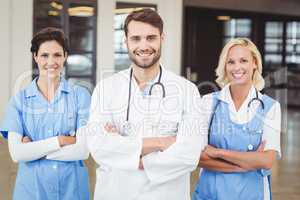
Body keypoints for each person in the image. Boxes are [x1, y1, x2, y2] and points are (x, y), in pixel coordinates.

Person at [87, 8, 205, 200]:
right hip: (116, 193)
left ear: (162, 38)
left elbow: (190, 153)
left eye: (151, 38)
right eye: (136, 38)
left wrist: (129, 153)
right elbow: (98, 146)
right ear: (125, 41)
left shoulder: (187, 90)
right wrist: (161, 143)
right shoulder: (106, 88)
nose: (143, 45)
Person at [0, 27, 91, 200]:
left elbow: (83, 151)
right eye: (44, 55)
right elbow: (17, 154)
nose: (51, 61)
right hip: (32, 192)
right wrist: (61, 140)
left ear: (65, 56)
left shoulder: (80, 96)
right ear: (35, 56)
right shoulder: (19, 101)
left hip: (71, 190)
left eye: (57, 55)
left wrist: (33, 150)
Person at [193, 38, 281, 200]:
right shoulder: (208, 103)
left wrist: (218, 152)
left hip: (253, 195)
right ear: (224, 67)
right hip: (210, 194)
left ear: (254, 63)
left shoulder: (270, 107)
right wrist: (247, 163)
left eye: (243, 61)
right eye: (231, 62)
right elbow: (197, 157)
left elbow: (267, 160)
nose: (237, 67)